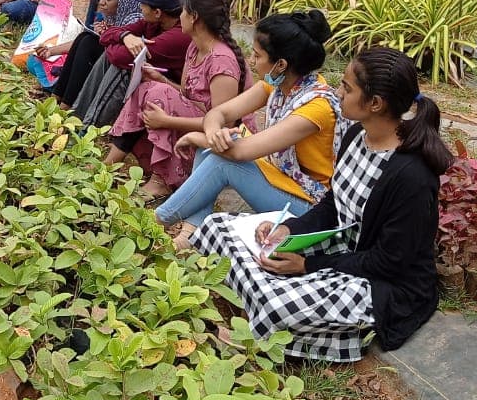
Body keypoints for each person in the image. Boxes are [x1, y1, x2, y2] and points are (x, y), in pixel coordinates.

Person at [189, 46, 452, 362]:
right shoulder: (356, 135)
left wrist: (307, 266)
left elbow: (388, 261)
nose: (338, 92)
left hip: (382, 279)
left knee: (279, 305)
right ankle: (257, 304)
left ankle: (258, 326)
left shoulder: (412, 176)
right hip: (341, 250)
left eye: (347, 88)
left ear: (375, 103)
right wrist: (289, 229)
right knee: (218, 227)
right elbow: (333, 203)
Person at [158, 10, 345, 247]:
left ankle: (154, 221)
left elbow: (240, 152)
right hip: (285, 180)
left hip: (312, 207)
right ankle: (190, 233)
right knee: (212, 149)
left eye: (257, 55)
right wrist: (213, 133)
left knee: (222, 161)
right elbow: (219, 113)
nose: (251, 61)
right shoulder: (278, 85)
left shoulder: (316, 107)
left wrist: (200, 137)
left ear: (281, 64)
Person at [107, 0, 248, 201]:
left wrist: (167, 121)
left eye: (183, 11)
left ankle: (162, 181)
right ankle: (111, 161)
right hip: (195, 123)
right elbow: (187, 95)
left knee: (159, 94)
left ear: (194, 17)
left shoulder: (222, 61)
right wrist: (161, 79)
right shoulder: (194, 47)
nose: (179, 16)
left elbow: (223, 125)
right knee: (149, 87)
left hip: (213, 142)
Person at [70, 0, 189, 127]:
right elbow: (105, 36)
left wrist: (117, 41)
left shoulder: (177, 36)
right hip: (155, 78)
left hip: (175, 92)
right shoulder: (155, 22)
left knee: (123, 67)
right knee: (101, 48)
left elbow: (119, 57)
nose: (140, 7)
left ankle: (88, 128)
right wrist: (124, 36)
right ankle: (75, 116)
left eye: (143, 4)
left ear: (157, 12)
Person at [34, 0, 143, 91]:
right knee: (85, 39)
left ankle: (65, 98)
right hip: (103, 67)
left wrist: (108, 37)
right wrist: (51, 51)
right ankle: (60, 94)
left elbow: (116, 55)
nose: (101, 3)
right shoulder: (113, 17)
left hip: (117, 81)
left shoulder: (136, 22)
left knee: (88, 43)